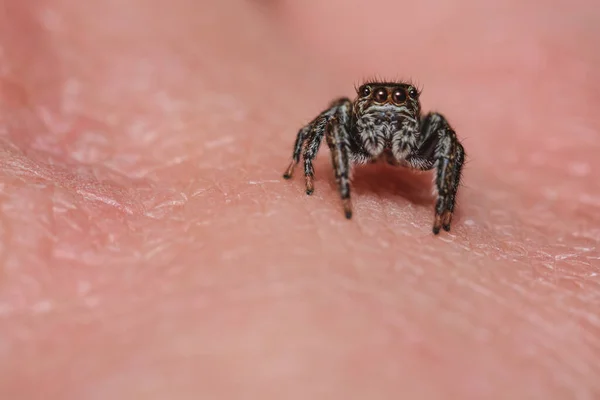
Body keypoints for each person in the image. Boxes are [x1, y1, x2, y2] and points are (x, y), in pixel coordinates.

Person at [1, 0, 599, 397]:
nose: (388, 107)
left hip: (409, 166)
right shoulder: (348, 118)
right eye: (376, 99)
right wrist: (313, 174)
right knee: (331, 116)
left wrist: (446, 207)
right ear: (365, 104)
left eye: (402, 101)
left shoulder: (428, 130)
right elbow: (324, 125)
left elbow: (451, 149)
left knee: (446, 135)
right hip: (352, 160)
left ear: (412, 109)